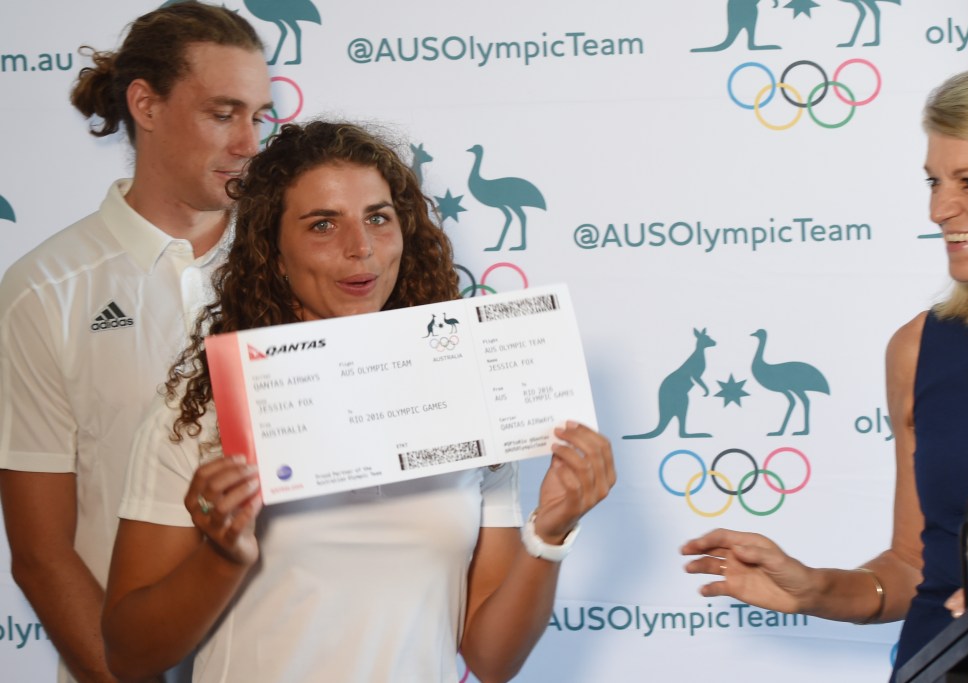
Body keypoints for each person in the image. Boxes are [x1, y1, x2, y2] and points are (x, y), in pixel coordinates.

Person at [100, 120, 616, 683]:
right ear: (272, 252)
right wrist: (221, 555)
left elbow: (492, 660)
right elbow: (130, 655)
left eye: (378, 218)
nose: (361, 249)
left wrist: (549, 536)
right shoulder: (200, 411)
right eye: (323, 224)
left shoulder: (471, 394)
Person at [681, 64, 968, 676]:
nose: (940, 208)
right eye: (933, 182)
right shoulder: (919, 349)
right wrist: (815, 589)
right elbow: (913, 568)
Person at [0, 3, 271, 681]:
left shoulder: (301, 263)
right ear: (145, 105)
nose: (249, 143)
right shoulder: (45, 289)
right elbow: (40, 551)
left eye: (258, 116)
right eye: (223, 113)